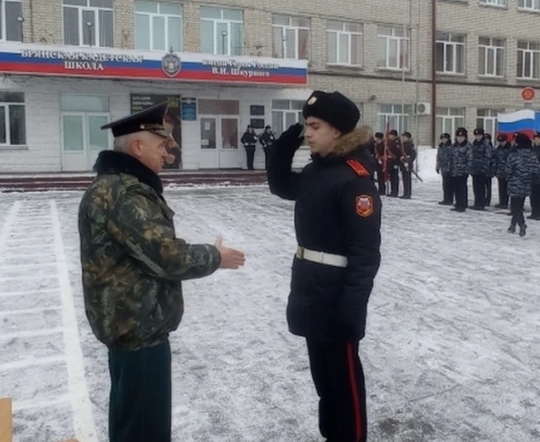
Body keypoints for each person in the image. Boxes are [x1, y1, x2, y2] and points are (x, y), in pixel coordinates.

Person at [78, 101, 246, 442]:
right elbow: (166, 256)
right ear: (137, 146)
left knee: (133, 421)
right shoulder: (124, 192)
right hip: (138, 329)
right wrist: (216, 256)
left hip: (131, 325)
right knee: (144, 429)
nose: (167, 155)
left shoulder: (118, 186)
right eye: (161, 146)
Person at [267, 90, 381, 442]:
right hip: (311, 289)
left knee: (345, 387)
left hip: (336, 297)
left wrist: (352, 306)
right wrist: (282, 148)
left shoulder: (355, 179)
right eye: (307, 126)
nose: (309, 133)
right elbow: (282, 186)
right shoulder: (319, 170)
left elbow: (365, 254)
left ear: (338, 131)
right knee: (324, 383)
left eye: (315, 126)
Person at [506, 133, 540, 237]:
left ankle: (522, 224)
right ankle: (512, 225)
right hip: (527, 184)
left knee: (515, 207)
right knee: (519, 206)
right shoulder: (532, 155)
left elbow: (508, 170)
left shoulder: (513, 155)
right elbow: (537, 170)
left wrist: (509, 178)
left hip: (515, 184)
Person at [469, 128, 493, 210]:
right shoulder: (475, 143)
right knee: (475, 187)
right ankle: (477, 203)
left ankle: (481, 203)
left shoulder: (486, 144)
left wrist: (484, 168)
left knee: (481, 188)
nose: (477, 137)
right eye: (476, 135)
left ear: (482, 135)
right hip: (475, 169)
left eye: (479, 135)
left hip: (482, 169)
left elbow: (488, 157)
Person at [451, 128, 472, 213]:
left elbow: (470, 159)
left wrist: (467, 170)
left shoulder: (468, 146)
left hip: (463, 171)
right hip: (455, 170)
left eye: (462, 137)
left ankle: (462, 205)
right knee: (456, 188)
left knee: (462, 188)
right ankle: (458, 204)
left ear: (465, 137)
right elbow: (451, 157)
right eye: (458, 137)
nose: (460, 138)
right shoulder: (454, 146)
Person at [493, 134, 512, 209]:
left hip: (506, 171)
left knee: (506, 188)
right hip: (500, 171)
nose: (501, 143)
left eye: (502, 141)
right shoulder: (498, 148)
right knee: (501, 187)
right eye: (500, 141)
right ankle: (502, 202)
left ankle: (505, 202)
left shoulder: (509, 149)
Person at [436, 133, 453, 205]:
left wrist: (450, 167)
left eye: (445, 139)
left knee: (449, 185)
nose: (444, 140)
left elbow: (452, 158)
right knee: (445, 184)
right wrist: (437, 166)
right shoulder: (441, 147)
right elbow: (438, 157)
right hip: (443, 168)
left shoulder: (451, 147)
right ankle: (446, 198)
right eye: (442, 139)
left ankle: (449, 199)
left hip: (449, 168)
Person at [400, 132, 417, 199]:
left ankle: (408, 194)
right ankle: (405, 193)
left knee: (407, 180)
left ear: (408, 138)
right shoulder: (402, 145)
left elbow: (413, 155)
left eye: (405, 137)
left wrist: (409, 162)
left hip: (407, 164)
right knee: (404, 179)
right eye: (403, 137)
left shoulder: (410, 145)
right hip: (403, 163)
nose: (403, 138)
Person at [386, 130, 402, 197]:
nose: (389, 136)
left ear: (394, 135)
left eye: (390, 135)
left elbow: (398, 153)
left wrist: (397, 162)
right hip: (390, 161)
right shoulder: (390, 142)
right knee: (392, 177)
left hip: (394, 161)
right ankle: (392, 191)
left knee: (395, 177)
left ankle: (395, 192)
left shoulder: (396, 142)